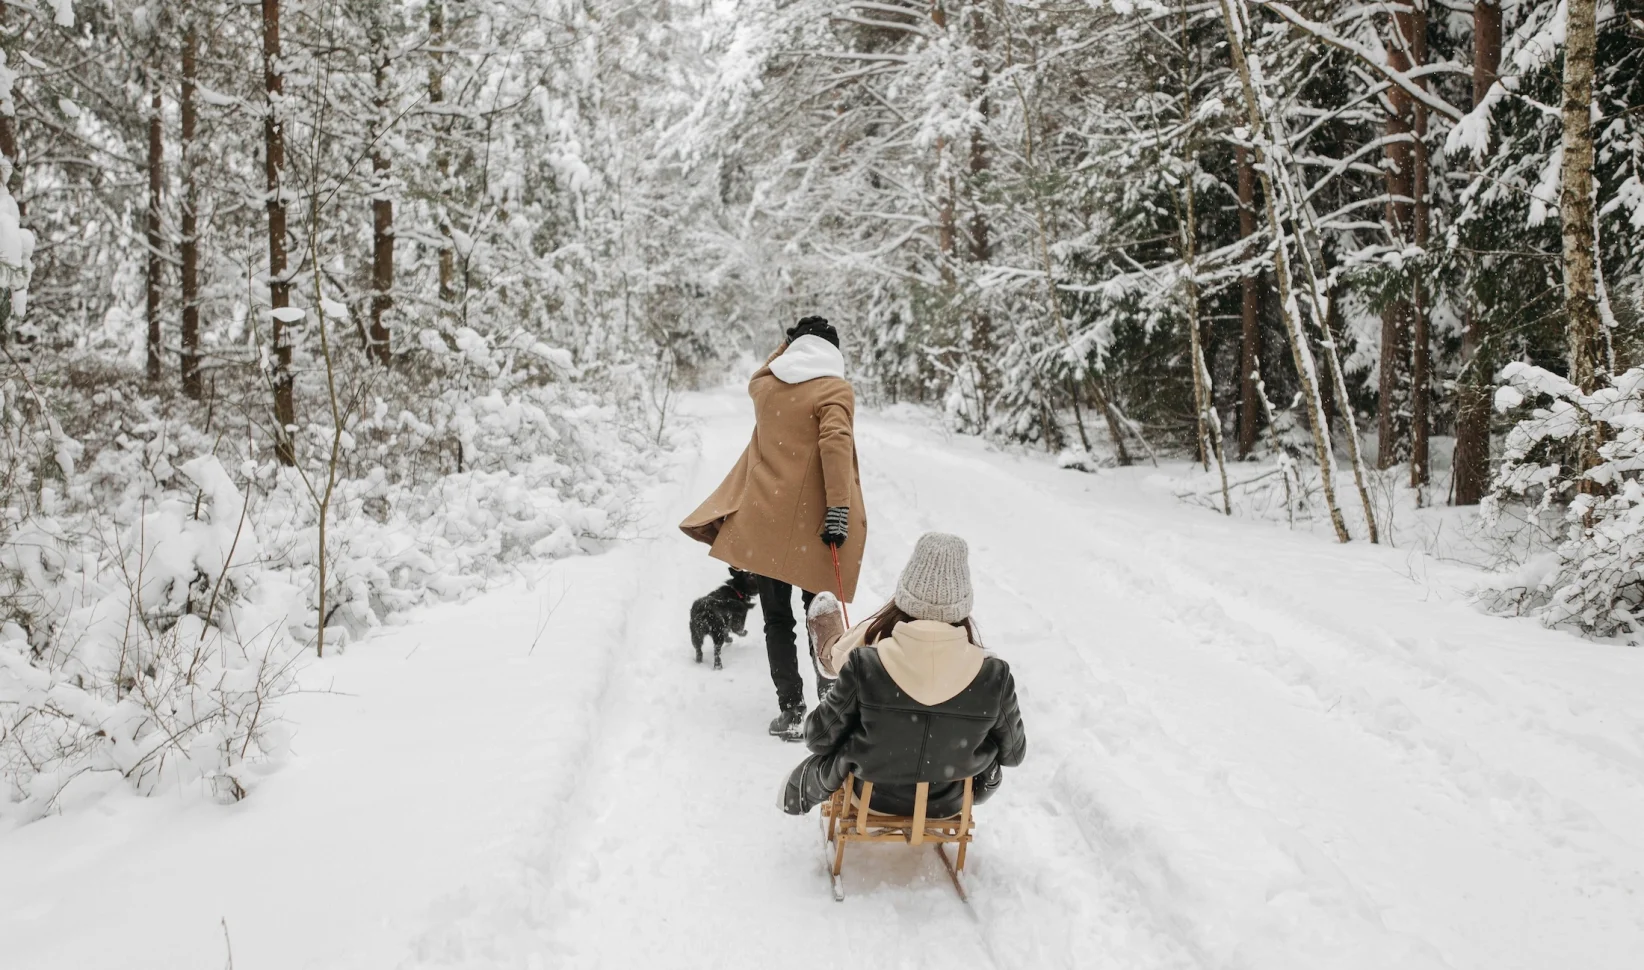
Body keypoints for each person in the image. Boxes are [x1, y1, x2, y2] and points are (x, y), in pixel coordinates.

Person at [679, 316, 868, 740]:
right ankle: (829, 709)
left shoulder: (765, 388)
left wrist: (787, 345)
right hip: (814, 529)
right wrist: (838, 508)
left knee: (776, 620)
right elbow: (835, 444)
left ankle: (792, 710)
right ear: (833, 353)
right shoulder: (834, 390)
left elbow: (767, 366)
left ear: (793, 347)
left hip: (764, 522)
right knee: (821, 617)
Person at [780, 533, 1026, 818]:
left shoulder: (867, 665)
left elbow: (818, 739)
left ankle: (833, 655)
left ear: (905, 598)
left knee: (846, 717)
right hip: (948, 802)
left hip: (872, 796)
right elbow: (1013, 755)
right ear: (963, 605)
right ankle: (834, 656)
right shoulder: (994, 677)